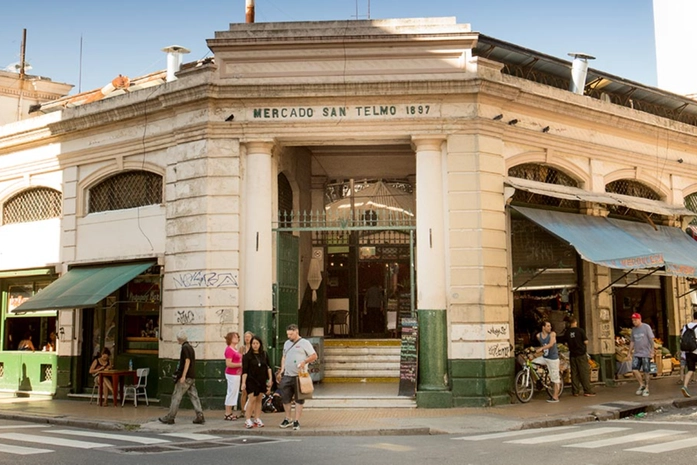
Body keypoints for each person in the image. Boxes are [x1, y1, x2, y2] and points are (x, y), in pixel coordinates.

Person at [159, 330, 205, 425]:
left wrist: (183, 376)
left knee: (176, 396)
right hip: (191, 376)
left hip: (186, 376)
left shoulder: (184, 348)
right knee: (194, 396)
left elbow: (187, 361)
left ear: (179, 339)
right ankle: (199, 415)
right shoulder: (190, 347)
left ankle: (170, 417)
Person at [277, 324, 317, 430]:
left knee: (299, 399)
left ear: (296, 332)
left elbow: (314, 356)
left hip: (299, 375)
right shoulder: (286, 343)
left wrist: (304, 362)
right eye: (288, 334)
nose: (289, 336)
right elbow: (284, 357)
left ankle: (297, 420)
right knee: (285, 397)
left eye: (291, 334)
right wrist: (282, 369)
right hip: (287, 374)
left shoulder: (305, 343)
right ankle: (288, 418)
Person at [241, 335, 272, 429]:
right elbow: (245, 371)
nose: (255, 345)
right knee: (252, 398)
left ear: (260, 344)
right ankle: (247, 419)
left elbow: (268, 367)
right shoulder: (247, 356)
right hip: (251, 379)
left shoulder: (264, 354)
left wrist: (270, 379)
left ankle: (257, 418)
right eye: (253, 343)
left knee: (259, 399)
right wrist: (243, 383)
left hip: (261, 379)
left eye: (257, 343)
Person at [565, 317, 595, 397]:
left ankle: (575, 391)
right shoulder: (580, 331)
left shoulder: (567, 332)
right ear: (575, 322)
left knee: (574, 373)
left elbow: (566, 343)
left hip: (572, 354)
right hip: (581, 354)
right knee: (584, 372)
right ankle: (587, 390)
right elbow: (586, 342)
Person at [533, 321, 561, 403]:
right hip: (545, 357)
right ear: (543, 327)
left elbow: (551, 344)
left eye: (550, 326)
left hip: (553, 358)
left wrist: (541, 349)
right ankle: (538, 380)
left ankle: (555, 397)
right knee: (532, 364)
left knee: (555, 379)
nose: (550, 327)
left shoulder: (552, 334)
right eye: (548, 326)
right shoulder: (538, 336)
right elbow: (543, 344)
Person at [628, 312, 655, 397]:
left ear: (639, 319)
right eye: (633, 320)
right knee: (634, 369)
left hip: (646, 353)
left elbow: (651, 339)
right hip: (637, 353)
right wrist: (629, 352)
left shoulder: (646, 327)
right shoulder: (633, 330)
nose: (634, 322)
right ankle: (641, 384)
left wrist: (652, 351)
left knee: (646, 371)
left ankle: (647, 388)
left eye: (635, 320)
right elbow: (632, 341)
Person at [224, 332, 243, 420]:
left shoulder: (235, 349)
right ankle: (227, 412)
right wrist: (240, 364)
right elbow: (228, 363)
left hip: (236, 374)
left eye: (237, 337)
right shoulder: (229, 350)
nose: (236, 338)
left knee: (234, 392)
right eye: (234, 337)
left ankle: (230, 412)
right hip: (232, 374)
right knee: (231, 392)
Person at [681, 311, 697, 397]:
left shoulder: (686, 326)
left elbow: (682, 338)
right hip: (696, 350)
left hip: (688, 352)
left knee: (690, 370)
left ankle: (685, 386)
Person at [239, 331, 254, 415]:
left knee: (252, 392)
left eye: (249, 337)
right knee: (244, 391)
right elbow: (239, 358)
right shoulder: (242, 348)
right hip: (244, 371)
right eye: (245, 337)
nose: (247, 338)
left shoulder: (254, 348)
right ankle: (242, 410)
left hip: (252, 372)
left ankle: (251, 410)